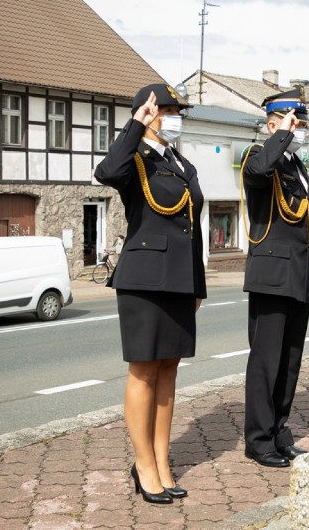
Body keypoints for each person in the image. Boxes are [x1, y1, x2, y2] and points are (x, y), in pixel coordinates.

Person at [94, 83, 206, 503]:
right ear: (151, 113)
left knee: (169, 370)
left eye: (179, 111)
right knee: (143, 370)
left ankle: (162, 460)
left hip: (179, 280)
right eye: (170, 110)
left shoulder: (181, 163)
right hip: (143, 280)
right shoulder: (134, 158)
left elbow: (191, 229)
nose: (176, 117)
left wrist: (198, 283)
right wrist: (134, 126)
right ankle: (143, 465)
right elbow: (105, 172)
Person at [241, 87, 309, 468]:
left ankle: (278, 431)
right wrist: (281, 135)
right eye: (292, 122)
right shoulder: (258, 155)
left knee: (289, 360)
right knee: (266, 360)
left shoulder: (295, 166)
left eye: (300, 124)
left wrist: (288, 142)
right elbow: (258, 172)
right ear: (272, 124)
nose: (299, 129)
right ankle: (257, 438)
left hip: (298, 273)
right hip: (271, 273)